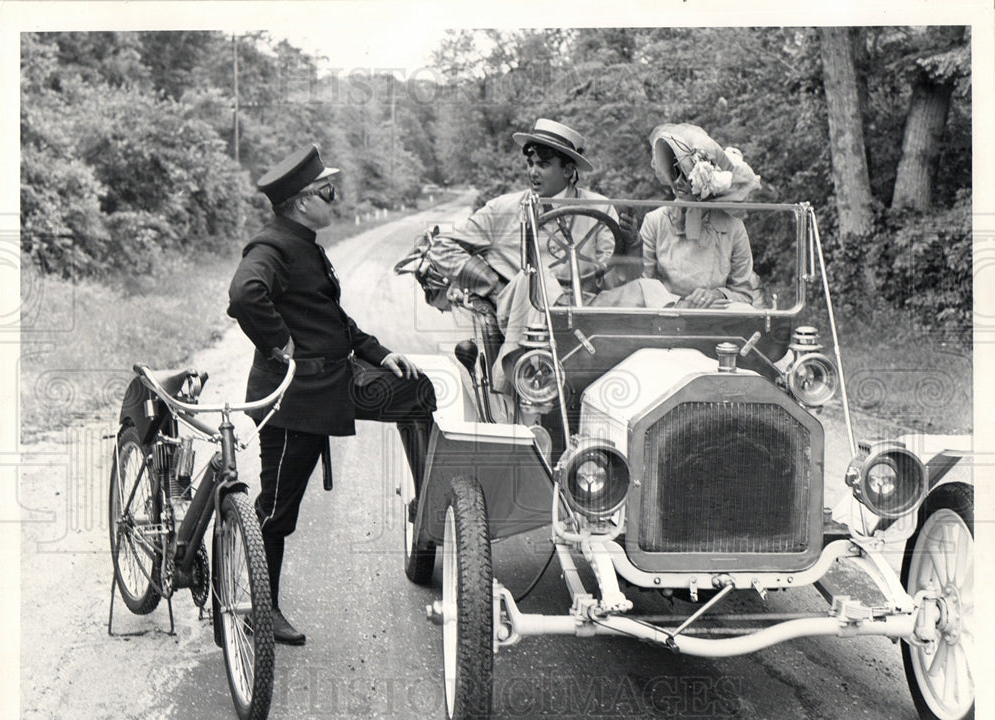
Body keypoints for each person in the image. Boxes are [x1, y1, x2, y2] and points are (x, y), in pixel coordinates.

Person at [228, 144, 436, 645]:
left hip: (334, 384)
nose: (334, 198)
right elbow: (243, 296)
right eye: (326, 191)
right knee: (277, 511)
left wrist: (378, 352)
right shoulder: (272, 248)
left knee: (415, 391)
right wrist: (281, 345)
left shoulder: (305, 242)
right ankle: (261, 607)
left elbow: (332, 317)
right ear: (302, 202)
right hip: (292, 399)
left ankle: (431, 509)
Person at [434, 118, 632, 390]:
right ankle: (520, 380)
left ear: (568, 170)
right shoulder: (504, 209)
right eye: (531, 164)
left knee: (647, 291)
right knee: (536, 279)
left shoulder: (600, 208)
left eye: (543, 164)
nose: (533, 173)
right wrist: (490, 284)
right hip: (524, 311)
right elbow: (441, 246)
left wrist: (630, 248)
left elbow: (610, 276)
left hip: (586, 313)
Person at [637, 123, 766, 309]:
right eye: (674, 172)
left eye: (685, 174)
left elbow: (744, 294)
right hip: (668, 314)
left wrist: (717, 294)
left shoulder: (733, 227)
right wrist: (676, 304)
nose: (677, 182)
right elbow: (645, 285)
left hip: (714, 315)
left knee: (742, 310)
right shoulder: (655, 221)